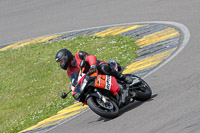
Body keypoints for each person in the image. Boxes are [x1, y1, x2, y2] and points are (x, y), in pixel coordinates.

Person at [55, 49, 133, 84]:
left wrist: (93, 65)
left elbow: (90, 57)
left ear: (66, 56)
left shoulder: (78, 55)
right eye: (60, 63)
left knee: (104, 68)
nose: (61, 64)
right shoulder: (69, 71)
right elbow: (74, 81)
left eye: (62, 61)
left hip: (97, 66)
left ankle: (123, 77)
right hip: (91, 77)